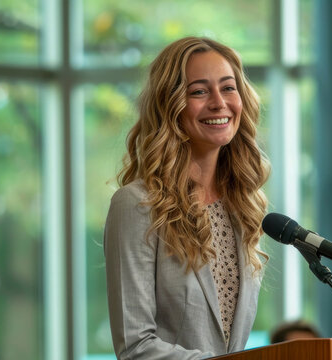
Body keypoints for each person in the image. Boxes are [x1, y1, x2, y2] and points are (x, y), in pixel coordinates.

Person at [104, 36, 270, 359]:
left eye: (228, 87)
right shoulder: (137, 205)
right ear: (170, 105)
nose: (219, 102)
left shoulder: (242, 206)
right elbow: (135, 346)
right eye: (198, 91)